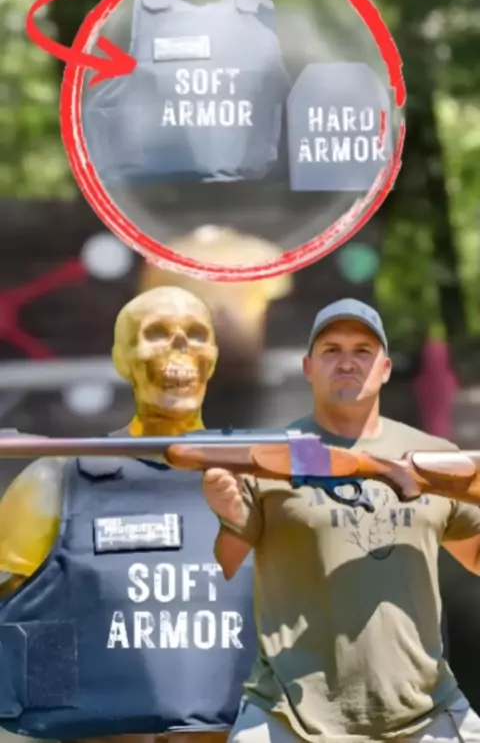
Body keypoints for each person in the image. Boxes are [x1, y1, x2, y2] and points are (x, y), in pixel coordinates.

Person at [202, 298, 480, 743]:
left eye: (362, 351)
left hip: (424, 709)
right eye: (331, 350)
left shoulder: (432, 457)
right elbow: (227, 562)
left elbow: (476, 557)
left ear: (385, 369)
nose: (347, 362)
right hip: (289, 714)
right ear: (308, 367)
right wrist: (229, 512)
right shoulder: (272, 456)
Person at [0, 286, 255, 743]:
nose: (180, 349)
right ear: (122, 358)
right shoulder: (57, 481)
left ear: (214, 356)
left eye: (196, 335)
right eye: (157, 333)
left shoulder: (265, 481)